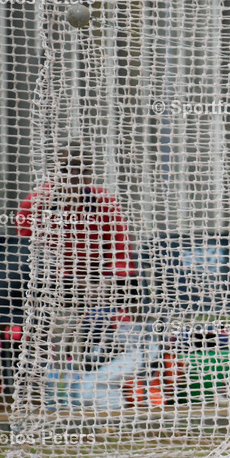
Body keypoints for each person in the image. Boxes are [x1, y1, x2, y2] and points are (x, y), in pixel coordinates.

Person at [17, 141, 138, 367]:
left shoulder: (105, 202)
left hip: (98, 277)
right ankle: (51, 366)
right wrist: (71, 279)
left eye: (82, 169)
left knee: (136, 294)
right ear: (53, 170)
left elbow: (121, 251)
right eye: (66, 168)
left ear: (91, 171)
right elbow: (25, 253)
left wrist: (108, 277)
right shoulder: (36, 203)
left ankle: (116, 362)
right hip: (49, 280)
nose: (74, 174)